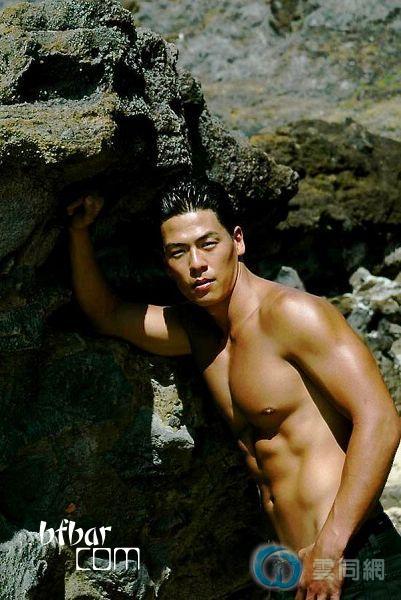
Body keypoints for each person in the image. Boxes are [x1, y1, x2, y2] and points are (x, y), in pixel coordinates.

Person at [67, 178, 401, 599]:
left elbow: (380, 419)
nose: (196, 263)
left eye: (208, 244)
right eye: (178, 252)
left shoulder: (293, 315)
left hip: (352, 559)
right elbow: (107, 314)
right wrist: (79, 232)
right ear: (166, 263)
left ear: (237, 241)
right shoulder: (198, 333)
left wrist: (331, 548)